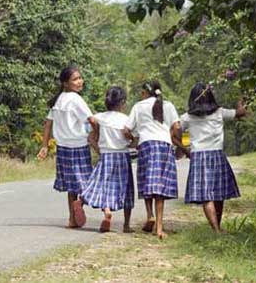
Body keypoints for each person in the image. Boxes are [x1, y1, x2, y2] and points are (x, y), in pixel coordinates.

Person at [181, 82, 246, 232]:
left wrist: (184, 149)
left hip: (198, 156)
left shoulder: (187, 117)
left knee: (206, 195)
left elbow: (175, 130)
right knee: (218, 193)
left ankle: (215, 229)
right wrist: (241, 102)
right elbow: (239, 113)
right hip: (217, 154)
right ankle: (218, 227)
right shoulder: (219, 113)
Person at [37, 64, 93, 228]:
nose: (79, 81)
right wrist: (96, 137)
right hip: (79, 145)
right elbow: (90, 120)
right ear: (66, 83)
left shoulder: (59, 100)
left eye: (80, 78)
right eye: (75, 79)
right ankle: (80, 203)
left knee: (71, 184)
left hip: (63, 147)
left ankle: (72, 219)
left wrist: (45, 146)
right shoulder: (76, 99)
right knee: (86, 181)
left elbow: (48, 124)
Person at [124, 81, 181, 239]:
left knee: (147, 181)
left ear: (144, 93)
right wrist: (168, 136)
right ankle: (159, 228)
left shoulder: (138, 106)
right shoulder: (168, 105)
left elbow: (126, 129)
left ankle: (150, 215)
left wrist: (134, 140)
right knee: (160, 187)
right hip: (163, 146)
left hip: (146, 145)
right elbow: (177, 126)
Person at [80, 86, 135, 233]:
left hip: (106, 156)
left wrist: (98, 148)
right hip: (123, 156)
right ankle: (126, 225)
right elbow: (132, 138)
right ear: (122, 102)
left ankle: (107, 211)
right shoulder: (126, 120)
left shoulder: (99, 117)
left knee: (103, 185)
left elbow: (88, 132)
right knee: (125, 187)